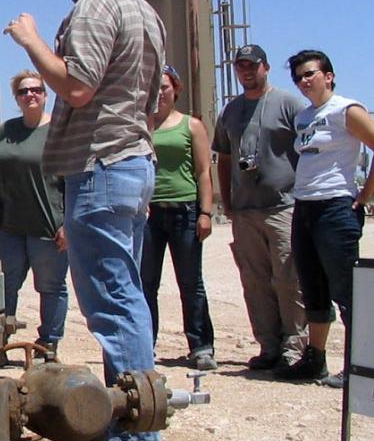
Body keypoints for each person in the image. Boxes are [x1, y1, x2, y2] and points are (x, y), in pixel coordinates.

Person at [4, 0, 166, 441]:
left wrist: (31, 41)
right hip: (128, 163)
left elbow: (75, 88)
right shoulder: (143, 9)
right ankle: (125, 421)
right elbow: (150, 102)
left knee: (112, 302)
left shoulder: (97, 7)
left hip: (101, 168)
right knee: (124, 295)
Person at [277, 50, 374, 387]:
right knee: (313, 287)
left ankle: (359, 367)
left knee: (347, 290)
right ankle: (314, 361)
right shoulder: (305, 117)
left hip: (335, 207)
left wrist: (364, 196)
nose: (304, 81)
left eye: (310, 74)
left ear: (328, 75)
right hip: (305, 207)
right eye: (299, 77)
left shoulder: (346, 110)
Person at [213, 43, 307, 370]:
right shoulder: (230, 112)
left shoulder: (289, 104)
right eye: (241, 66)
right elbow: (224, 159)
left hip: (284, 206)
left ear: (265, 67)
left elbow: (308, 152)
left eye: (252, 65)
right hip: (245, 210)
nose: (246, 72)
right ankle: (268, 345)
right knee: (254, 281)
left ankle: (294, 348)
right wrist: (226, 200)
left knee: (288, 277)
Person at [0, 69, 68, 359]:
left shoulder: (59, 130)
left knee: (50, 287)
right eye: (23, 91)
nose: (30, 95)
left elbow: (76, 178)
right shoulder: (6, 131)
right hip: (12, 226)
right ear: (16, 98)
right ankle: (0, 343)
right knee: (3, 285)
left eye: (36, 90)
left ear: (45, 95)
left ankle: (48, 344)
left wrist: (70, 223)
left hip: (49, 226)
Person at [139, 66, 217, 371]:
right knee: (146, 283)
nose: (159, 93)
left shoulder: (191, 126)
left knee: (191, 282)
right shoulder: (141, 126)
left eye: (165, 87)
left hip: (184, 210)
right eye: (153, 87)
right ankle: (146, 344)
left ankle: (201, 346)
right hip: (148, 213)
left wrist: (206, 212)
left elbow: (203, 172)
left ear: (176, 90)